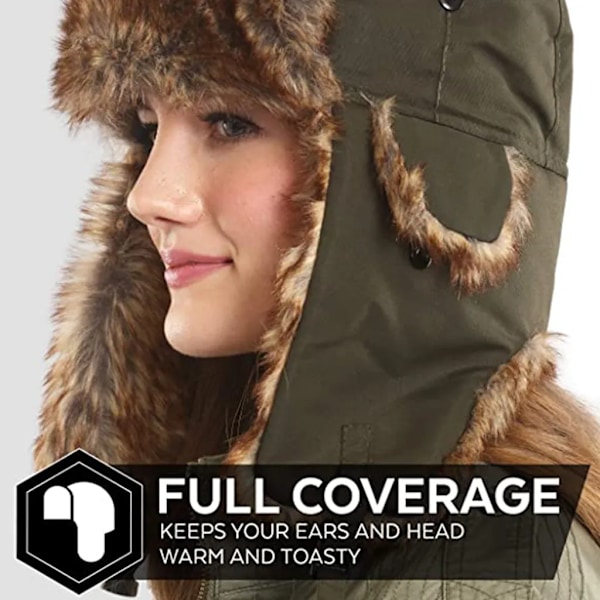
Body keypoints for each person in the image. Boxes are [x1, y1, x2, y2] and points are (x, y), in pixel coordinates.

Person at [34, 0, 600, 598]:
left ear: (413, 180)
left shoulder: (471, 570)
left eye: (230, 123)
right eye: (151, 129)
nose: (147, 197)